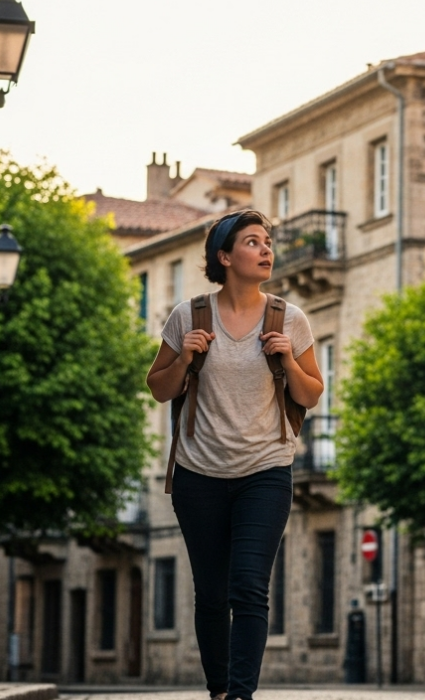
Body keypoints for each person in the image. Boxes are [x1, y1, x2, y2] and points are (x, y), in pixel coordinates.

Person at [146, 210, 323, 699]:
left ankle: (241, 696)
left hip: (266, 472)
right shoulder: (189, 315)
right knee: (212, 593)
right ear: (224, 257)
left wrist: (288, 358)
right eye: (252, 242)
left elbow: (310, 395)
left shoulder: (290, 318)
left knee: (248, 586)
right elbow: (160, 389)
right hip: (198, 475)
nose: (266, 249)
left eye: (267, 242)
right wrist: (183, 357)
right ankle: (219, 690)